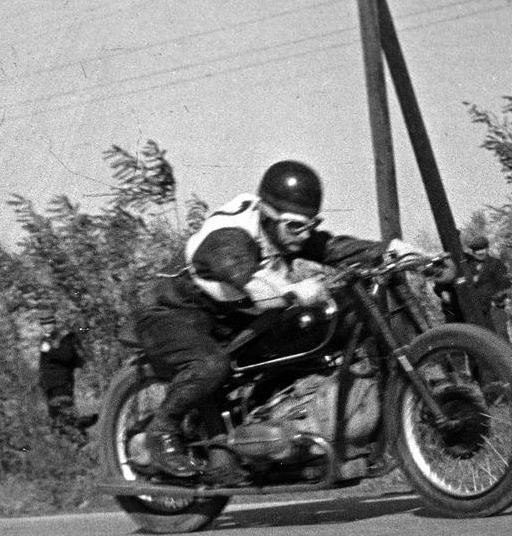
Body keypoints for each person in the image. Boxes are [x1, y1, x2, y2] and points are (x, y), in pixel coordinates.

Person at [133, 159, 398, 479]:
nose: (304, 235)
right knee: (210, 365)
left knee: (314, 334)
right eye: (295, 226)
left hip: (226, 320)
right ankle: (162, 431)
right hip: (171, 314)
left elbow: (331, 247)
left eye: (310, 225)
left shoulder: (284, 231)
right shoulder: (230, 237)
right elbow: (252, 283)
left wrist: (396, 252)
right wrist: (295, 292)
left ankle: (286, 437)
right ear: (268, 216)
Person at [437, 233, 512, 341]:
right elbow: (453, 260)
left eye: (482, 249)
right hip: (475, 311)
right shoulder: (467, 265)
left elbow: (505, 285)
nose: (480, 253)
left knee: (500, 339)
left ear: (487, 249)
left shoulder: (497, 264)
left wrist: (497, 300)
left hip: (493, 308)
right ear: (473, 251)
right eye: (476, 250)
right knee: (479, 341)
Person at [38, 319, 96, 436]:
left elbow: (68, 357)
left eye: (49, 323)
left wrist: (50, 350)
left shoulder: (66, 339)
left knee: (64, 418)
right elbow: (74, 360)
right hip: (54, 387)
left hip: (59, 386)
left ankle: (80, 434)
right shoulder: (52, 340)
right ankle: (79, 430)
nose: (47, 327)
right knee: (60, 420)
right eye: (45, 324)